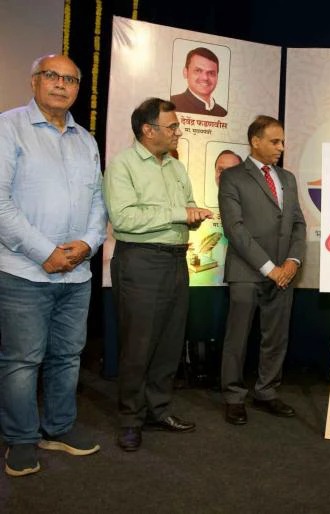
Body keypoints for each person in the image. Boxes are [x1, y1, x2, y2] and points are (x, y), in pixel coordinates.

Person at [0, 54, 107, 477]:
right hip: (24, 271)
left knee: (67, 355)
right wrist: (45, 251)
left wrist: (88, 243)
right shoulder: (9, 127)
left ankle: (58, 428)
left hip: (77, 273)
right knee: (22, 361)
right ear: (34, 82)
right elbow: (1, 204)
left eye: (71, 79)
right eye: (52, 76)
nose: (62, 84)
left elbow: (98, 202)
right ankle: (21, 438)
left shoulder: (86, 140)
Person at [103, 97, 214, 451]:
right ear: (148, 131)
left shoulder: (176, 167)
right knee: (138, 346)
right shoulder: (122, 165)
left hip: (176, 261)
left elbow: (186, 206)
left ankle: (159, 410)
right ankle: (130, 419)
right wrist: (179, 213)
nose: (179, 132)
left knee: (169, 342)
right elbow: (123, 219)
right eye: (173, 126)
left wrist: (193, 216)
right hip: (140, 262)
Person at [219, 115, 306, 425]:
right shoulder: (232, 177)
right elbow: (235, 229)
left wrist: (292, 262)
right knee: (238, 338)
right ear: (255, 142)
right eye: (274, 141)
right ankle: (233, 397)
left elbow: (298, 224)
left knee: (276, 337)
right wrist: (270, 269)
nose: (281, 147)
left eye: (282, 141)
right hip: (247, 271)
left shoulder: (288, 178)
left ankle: (267, 391)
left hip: (284, 273)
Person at [170, 47, 227, 117]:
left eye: (211, 73)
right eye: (198, 71)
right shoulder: (171, 105)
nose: (205, 78)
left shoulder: (223, 113)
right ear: (185, 72)